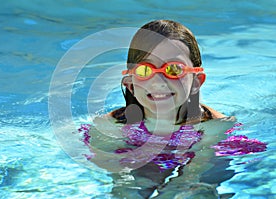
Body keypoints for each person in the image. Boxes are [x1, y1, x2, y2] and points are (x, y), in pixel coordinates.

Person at [78, 20, 266, 198]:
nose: (159, 82)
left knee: (198, 190)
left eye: (174, 70)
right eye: (145, 71)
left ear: (196, 82)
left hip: (193, 156)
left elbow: (192, 177)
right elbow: (114, 171)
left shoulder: (213, 128)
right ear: (130, 84)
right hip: (140, 153)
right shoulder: (111, 125)